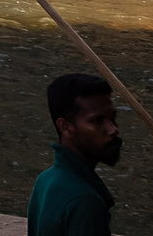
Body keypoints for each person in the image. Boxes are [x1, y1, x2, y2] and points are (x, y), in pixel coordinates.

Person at [28, 72, 120, 234]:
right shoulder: (85, 202)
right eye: (97, 121)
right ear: (65, 127)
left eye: (112, 118)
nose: (113, 130)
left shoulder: (45, 179)